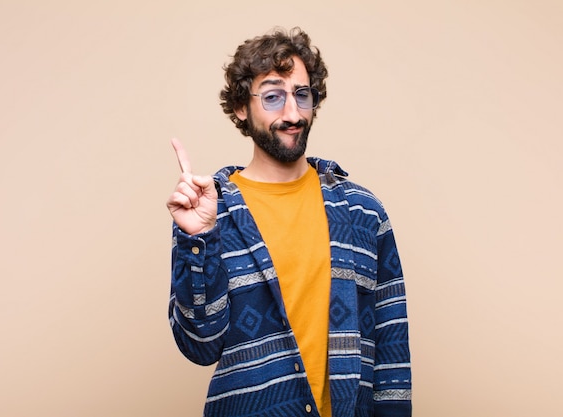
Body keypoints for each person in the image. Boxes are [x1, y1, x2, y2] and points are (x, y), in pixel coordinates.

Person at [167, 27, 411, 417]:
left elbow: (392, 353)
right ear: (241, 108)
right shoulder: (213, 213)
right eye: (273, 96)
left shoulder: (364, 212)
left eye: (302, 94)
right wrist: (198, 240)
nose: (293, 113)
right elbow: (200, 345)